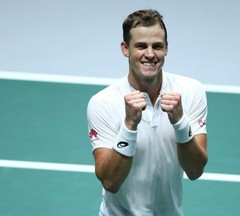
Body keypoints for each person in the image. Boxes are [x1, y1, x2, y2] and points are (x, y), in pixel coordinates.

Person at [87, 9, 208, 216]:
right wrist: (129, 126)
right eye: (141, 46)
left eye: (157, 46)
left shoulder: (190, 91)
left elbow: (195, 171)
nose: (150, 54)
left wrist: (180, 122)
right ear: (125, 49)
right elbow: (110, 181)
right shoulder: (102, 103)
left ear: (167, 48)